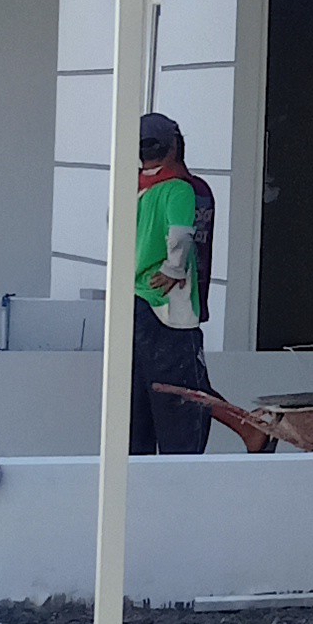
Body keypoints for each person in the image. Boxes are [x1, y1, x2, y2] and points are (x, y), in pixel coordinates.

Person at [130, 113, 268, 455]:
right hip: (170, 307)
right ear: (175, 146)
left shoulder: (132, 189)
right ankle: (248, 430)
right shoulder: (183, 189)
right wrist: (174, 269)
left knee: (142, 404)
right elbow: (181, 237)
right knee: (183, 398)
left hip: (135, 303)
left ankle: (248, 429)